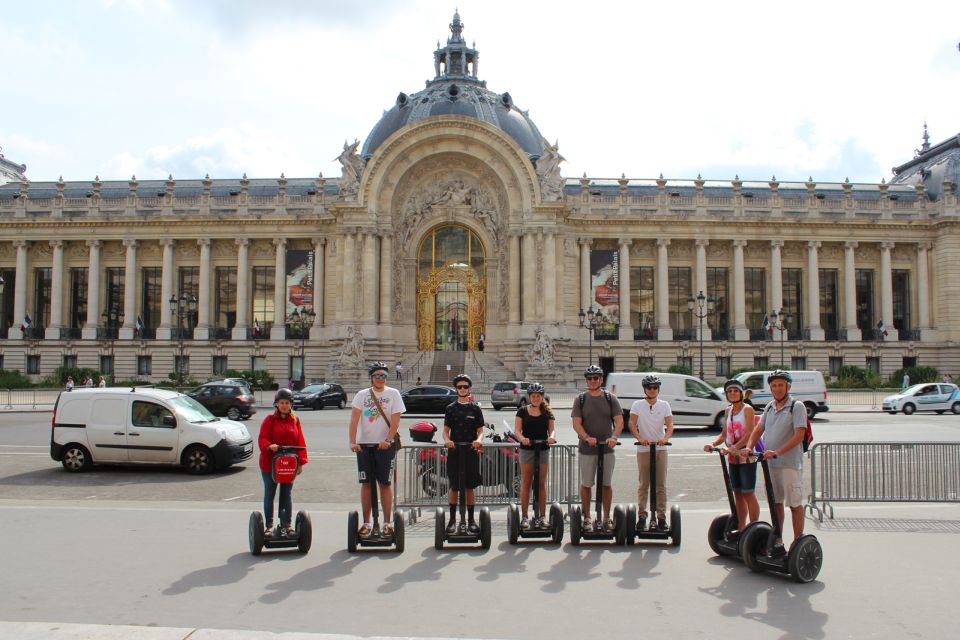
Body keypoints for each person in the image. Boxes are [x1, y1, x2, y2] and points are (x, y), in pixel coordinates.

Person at [746, 370, 807, 553]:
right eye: (774, 385)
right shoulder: (770, 407)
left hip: (790, 464)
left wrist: (777, 452)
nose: (777, 388)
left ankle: (798, 543)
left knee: (794, 504)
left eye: (781, 385)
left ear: (788, 386)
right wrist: (749, 447)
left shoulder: (797, 406)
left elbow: (799, 436)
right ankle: (778, 540)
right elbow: (758, 429)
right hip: (771, 465)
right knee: (776, 503)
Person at [348, 361, 405, 536]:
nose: (380, 379)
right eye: (377, 375)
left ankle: (387, 523)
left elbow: (396, 420)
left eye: (383, 376)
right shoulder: (362, 395)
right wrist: (352, 441)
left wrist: (387, 439)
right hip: (365, 445)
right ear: (371, 377)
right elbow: (354, 420)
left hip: (385, 446)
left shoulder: (393, 393)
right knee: (366, 484)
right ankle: (366, 522)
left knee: (385, 484)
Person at [571, 364, 624, 532]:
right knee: (586, 484)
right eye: (589, 378)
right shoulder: (580, 399)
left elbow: (619, 421)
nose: (592, 381)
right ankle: (587, 518)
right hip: (587, 449)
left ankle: (607, 518)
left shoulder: (610, 398)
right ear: (586, 381)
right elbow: (576, 423)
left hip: (607, 449)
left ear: (601, 379)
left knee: (606, 484)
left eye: (596, 378)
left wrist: (614, 437)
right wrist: (586, 437)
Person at [704, 379, 760, 530]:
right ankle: (741, 527)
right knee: (738, 493)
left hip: (746, 457)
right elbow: (723, 435)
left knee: (748, 493)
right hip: (733, 457)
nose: (733, 393)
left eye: (735, 391)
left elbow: (750, 433)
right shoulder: (728, 410)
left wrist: (733, 447)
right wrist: (713, 444)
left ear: (741, 393)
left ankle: (754, 528)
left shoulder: (747, 409)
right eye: (730, 391)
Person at [257, 388, 308, 538]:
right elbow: (263, 438)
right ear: (276, 404)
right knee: (270, 494)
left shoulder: (295, 420)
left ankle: (286, 525)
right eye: (281, 403)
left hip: (289, 463)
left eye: (287, 403)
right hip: (270, 464)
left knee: (287, 494)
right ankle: (269, 526)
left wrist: (301, 462)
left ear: (291, 404)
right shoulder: (269, 420)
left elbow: (300, 441)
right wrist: (269, 446)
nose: (284, 405)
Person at [627, 374, 675, 531]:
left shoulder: (664, 405)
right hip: (644, 449)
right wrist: (640, 438)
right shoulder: (637, 405)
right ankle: (642, 516)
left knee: (660, 485)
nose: (652, 390)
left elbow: (670, 424)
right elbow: (632, 424)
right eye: (649, 388)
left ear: (658, 389)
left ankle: (661, 517)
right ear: (645, 389)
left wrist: (665, 438)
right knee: (644, 484)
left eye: (655, 388)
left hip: (660, 448)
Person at [442, 373, 485, 534]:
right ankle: (453, 520)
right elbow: (446, 431)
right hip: (454, 451)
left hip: (470, 450)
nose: (462, 389)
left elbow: (480, 430)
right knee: (454, 486)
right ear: (456, 390)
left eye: (465, 387)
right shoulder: (450, 408)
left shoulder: (475, 408)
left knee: (469, 487)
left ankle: (471, 520)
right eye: (459, 387)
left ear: (469, 389)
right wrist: (447, 440)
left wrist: (479, 440)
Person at [515, 382, 555, 529]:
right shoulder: (522, 411)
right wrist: (522, 439)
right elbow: (517, 430)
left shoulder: (548, 412)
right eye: (533, 396)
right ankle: (525, 516)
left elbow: (552, 430)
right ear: (530, 397)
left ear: (542, 397)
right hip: (527, 449)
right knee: (526, 483)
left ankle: (542, 516)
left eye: (538, 396)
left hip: (543, 449)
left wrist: (551, 438)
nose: (536, 398)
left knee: (541, 484)